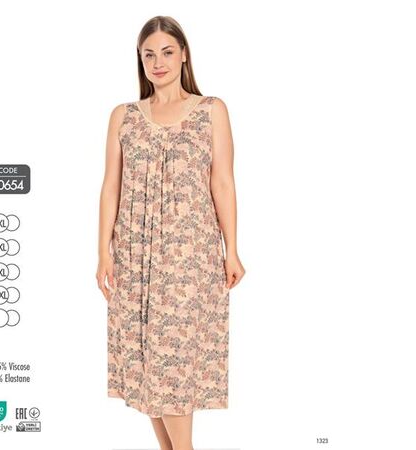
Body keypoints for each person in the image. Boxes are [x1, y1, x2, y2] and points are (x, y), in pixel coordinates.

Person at [97, 15, 245, 450]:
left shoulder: (211, 110)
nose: (157, 62)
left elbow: (223, 183)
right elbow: (110, 186)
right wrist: (103, 252)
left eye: (166, 52)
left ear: (183, 55)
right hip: (134, 253)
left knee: (174, 362)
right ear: (140, 60)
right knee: (148, 363)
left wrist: (232, 250)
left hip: (189, 256)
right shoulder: (123, 116)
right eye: (149, 55)